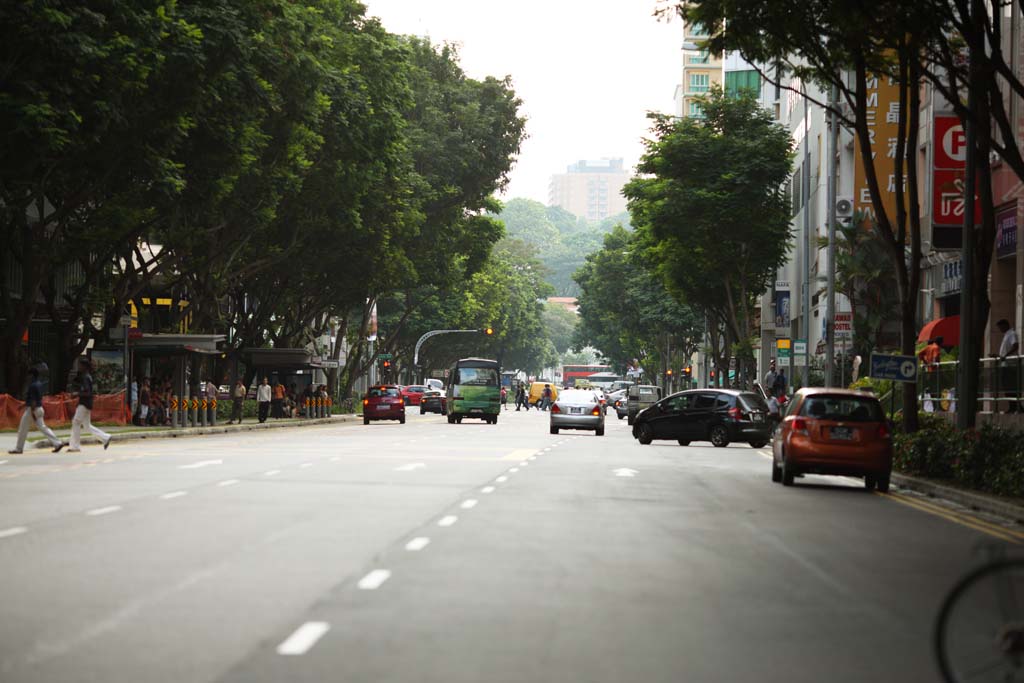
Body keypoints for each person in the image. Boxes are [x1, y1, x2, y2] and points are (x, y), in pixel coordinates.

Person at [9, 366, 65, 454]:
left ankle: (18, 449)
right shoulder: (39, 384)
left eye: (28, 375)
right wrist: (23, 405)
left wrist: (32, 412)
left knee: (22, 429)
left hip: (32, 410)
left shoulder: (32, 386)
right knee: (43, 428)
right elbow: (35, 398)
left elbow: (33, 401)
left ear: (31, 375)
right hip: (39, 409)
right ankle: (57, 443)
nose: (27, 378)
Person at [69, 358, 112, 452]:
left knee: (76, 422)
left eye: (80, 365)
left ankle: (75, 446)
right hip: (87, 403)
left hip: (84, 403)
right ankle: (105, 437)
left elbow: (88, 392)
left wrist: (77, 394)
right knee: (87, 426)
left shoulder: (86, 377)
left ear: (85, 367)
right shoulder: (87, 376)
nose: (79, 367)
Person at [996, 319, 1019, 413]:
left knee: (1010, 386)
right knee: (1007, 387)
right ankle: (1013, 406)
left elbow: (1015, 346)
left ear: (1005, 325)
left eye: (1001, 327)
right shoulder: (1006, 335)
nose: (1000, 329)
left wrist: (1006, 356)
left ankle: (1015, 406)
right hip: (1004, 364)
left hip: (1010, 365)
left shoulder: (1012, 334)